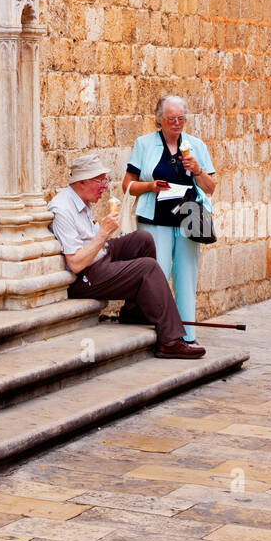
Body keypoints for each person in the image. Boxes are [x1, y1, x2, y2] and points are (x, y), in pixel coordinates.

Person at [47, 153, 205, 358]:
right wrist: (103, 232)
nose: (104, 186)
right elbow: (76, 264)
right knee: (147, 267)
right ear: (82, 181)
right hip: (86, 276)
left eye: (104, 180)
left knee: (143, 239)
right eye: (100, 180)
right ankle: (170, 340)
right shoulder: (62, 210)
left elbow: (90, 239)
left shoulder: (82, 199)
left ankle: (134, 312)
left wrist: (101, 232)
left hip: (99, 256)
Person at [122, 96, 217, 342]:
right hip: (155, 219)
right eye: (171, 119)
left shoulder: (196, 145)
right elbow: (127, 185)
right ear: (159, 120)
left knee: (186, 277)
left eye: (181, 119)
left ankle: (187, 336)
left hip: (188, 220)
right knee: (158, 276)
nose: (177, 123)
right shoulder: (144, 144)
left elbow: (210, 187)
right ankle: (160, 334)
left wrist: (197, 170)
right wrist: (150, 186)